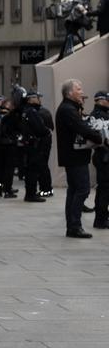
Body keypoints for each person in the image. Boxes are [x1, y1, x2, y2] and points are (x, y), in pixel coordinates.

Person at [56, 79, 104, 238]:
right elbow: (81, 128)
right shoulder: (68, 110)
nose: (82, 91)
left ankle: (72, 225)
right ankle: (74, 226)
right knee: (82, 189)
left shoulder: (70, 108)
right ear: (70, 93)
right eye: (79, 89)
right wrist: (99, 138)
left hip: (74, 156)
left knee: (74, 190)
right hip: (74, 157)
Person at [88, 90, 109, 228]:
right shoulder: (99, 116)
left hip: (102, 155)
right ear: (101, 100)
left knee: (103, 188)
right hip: (104, 156)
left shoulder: (100, 114)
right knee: (104, 188)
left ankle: (101, 216)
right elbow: (104, 138)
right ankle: (100, 219)